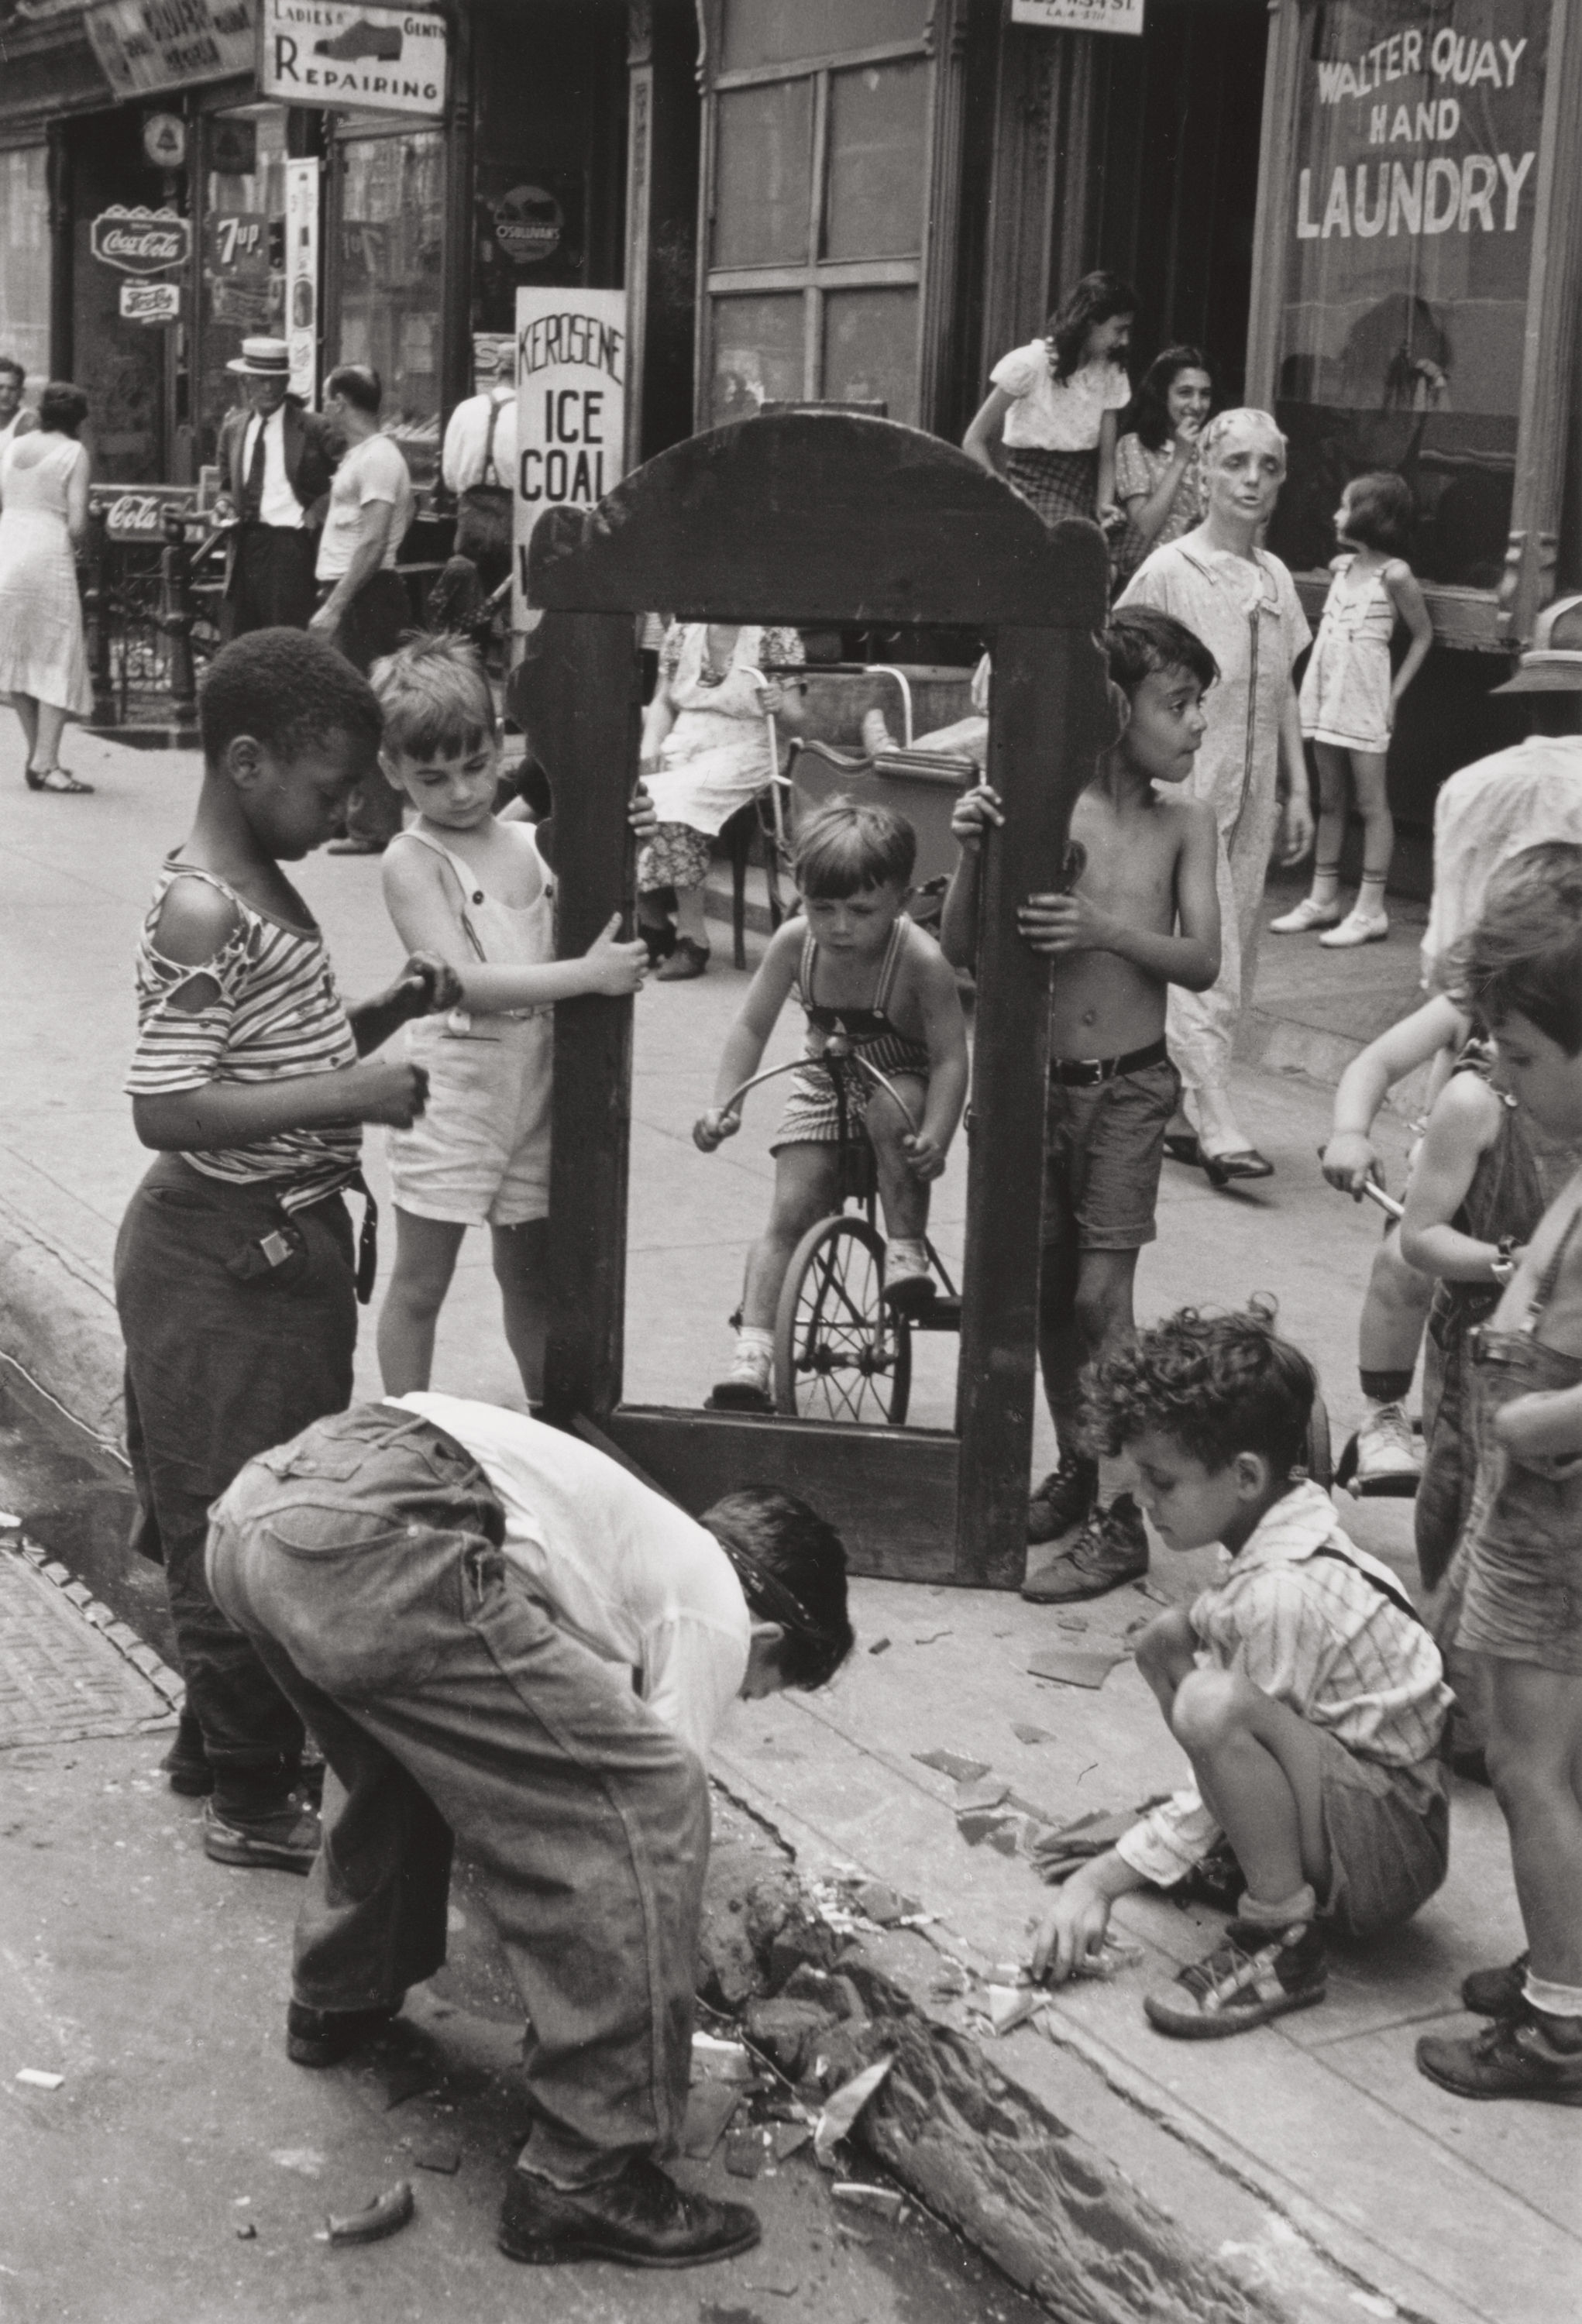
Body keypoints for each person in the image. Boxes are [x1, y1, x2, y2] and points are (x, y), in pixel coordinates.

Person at [205, 1392, 855, 2264]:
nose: (743, 1692)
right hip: (380, 1535)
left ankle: (339, 1997)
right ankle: (584, 2178)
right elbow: (646, 1809)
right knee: (653, 1800)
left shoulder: (610, 1532)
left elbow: (536, 1743)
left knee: (398, 1759)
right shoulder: (717, 1612)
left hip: (264, 1512)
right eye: (761, 1684)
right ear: (767, 1633)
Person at [115, 629, 460, 1870]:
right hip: (222, 1258)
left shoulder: (255, 884)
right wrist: (353, 1099)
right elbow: (166, 1106)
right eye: (329, 791)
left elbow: (266, 1054)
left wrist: (383, 1016)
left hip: (269, 1251)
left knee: (245, 1499)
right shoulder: (206, 904)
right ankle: (253, 1797)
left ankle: (220, 1744)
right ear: (247, 761)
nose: (347, 813)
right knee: (235, 1525)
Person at [1033, 1305, 1451, 2037]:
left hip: (1390, 1850)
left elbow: (1230, 1723)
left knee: (1210, 1705)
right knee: (1165, 1639)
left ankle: (1281, 1938)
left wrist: (1106, 1878)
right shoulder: (1265, 1530)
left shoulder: (1280, 1592)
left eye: (1162, 1483)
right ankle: (1246, 1849)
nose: (1142, 1501)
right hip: (1350, 1801)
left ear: (1247, 1476)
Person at [941, 608, 1221, 1593]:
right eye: (1176, 704)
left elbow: (1200, 957)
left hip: (1129, 1091)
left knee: (1105, 1300)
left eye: (1197, 706)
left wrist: (1105, 930)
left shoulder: (1184, 823)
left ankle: (1121, 1513)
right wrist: (974, 849)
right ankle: (1077, 1462)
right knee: (1050, 1299)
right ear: (1112, 709)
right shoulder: (1041, 808)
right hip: (1034, 1092)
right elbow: (961, 950)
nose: (1193, 726)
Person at [1320, 597, 1582, 1494]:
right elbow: (1410, 1029)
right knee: (1410, 1254)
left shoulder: (1473, 786)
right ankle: (1386, 1415)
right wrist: (1351, 1130)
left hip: (1510, 1031)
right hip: (1492, 1054)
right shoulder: (1484, 1038)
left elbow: (1440, 957)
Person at [371, 634, 651, 1404]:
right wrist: (588, 978)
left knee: (529, 1277)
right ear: (392, 769)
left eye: (474, 765)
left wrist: (628, 824)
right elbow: (455, 981)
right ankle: (405, 1425)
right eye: (432, 776)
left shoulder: (529, 843)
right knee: (421, 1280)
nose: (460, 791)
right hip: (454, 1094)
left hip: (535, 1093)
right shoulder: (411, 858)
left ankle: (549, 1419)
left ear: (501, 746)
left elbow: (593, 867)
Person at [1415, 858, 1582, 2105]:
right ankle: (1559, 1965)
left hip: (1558, 1507)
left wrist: (1529, 1417)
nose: (1504, 1084)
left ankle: (1563, 2027)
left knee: (1528, 1770)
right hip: (1532, 1502)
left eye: (1521, 1058)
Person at [696, 799, 969, 1411]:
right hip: (825, 1079)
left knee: (891, 1112)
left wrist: (939, 1136)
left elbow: (951, 1056)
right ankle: (753, 1353)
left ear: (900, 900)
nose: (840, 926)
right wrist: (724, 1105)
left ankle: (905, 1249)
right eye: (822, 908)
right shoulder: (797, 945)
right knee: (791, 1207)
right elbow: (750, 1027)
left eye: (860, 910)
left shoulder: (921, 961)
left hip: (902, 1078)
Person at [1119, 409, 1315, 1183]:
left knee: (1238, 944)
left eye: (1267, 467)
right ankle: (1216, 1118)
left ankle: (1174, 1104)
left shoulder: (1272, 579)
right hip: (1188, 785)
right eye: (1234, 463)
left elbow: (1283, 694)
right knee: (1210, 944)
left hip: (1253, 790)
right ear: (1201, 472)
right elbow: (1122, 669)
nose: (1250, 481)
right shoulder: (1171, 571)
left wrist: (1297, 789)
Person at [1274, 469, 1432, 948]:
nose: (1336, 514)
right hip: (1328, 691)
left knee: (1371, 803)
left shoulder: (1397, 575)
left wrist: (1394, 694)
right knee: (1330, 799)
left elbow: (1423, 636)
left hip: (1365, 696)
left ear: (1370, 515)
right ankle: (1323, 897)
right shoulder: (1340, 567)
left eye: (1344, 506)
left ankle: (1370, 910)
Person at [637, 621, 806, 980]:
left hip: (750, 747)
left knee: (679, 801)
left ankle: (692, 938)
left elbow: (798, 720)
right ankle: (652, 923)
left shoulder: (775, 634)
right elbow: (664, 701)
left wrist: (779, 705)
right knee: (632, 793)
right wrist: (650, 744)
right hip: (688, 740)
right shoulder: (682, 631)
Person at [309, 363, 417, 855]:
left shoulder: (380, 458)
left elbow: (373, 541)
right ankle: (353, 813)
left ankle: (374, 823)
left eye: (329, 401)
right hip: (353, 590)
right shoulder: (364, 455)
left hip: (366, 594)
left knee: (365, 709)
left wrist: (336, 603)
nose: (325, 411)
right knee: (343, 707)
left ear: (340, 402)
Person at [962, 271, 1136, 533]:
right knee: (1076, 544)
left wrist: (1104, 504)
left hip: (1084, 483)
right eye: (1119, 330)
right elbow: (973, 439)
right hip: (1036, 482)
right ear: (1090, 321)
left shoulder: (1110, 371)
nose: (1124, 341)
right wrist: (1003, 498)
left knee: (1134, 545)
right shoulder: (1032, 363)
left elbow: (1107, 456)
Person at [0, 379, 92, 792]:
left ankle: (37, 756)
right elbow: (75, 523)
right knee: (57, 652)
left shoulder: (15, 446)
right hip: (46, 556)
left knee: (19, 655)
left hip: (9, 548)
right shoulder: (74, 452)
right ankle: (47, 762)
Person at [216, 336, 338, 638]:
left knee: (287, 639)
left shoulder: (313, 427)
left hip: (291, 548)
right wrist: (224, 504)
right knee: (241, 641)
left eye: (275, 380)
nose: (268, 389)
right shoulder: (233, 429)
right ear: (245, 383)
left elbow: (352, 472)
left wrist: (319, 510)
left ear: (286, 381)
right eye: (260, 381)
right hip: (244, 547)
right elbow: (228, 486)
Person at [1113, 345, 1212, 586]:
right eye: (1185, 393)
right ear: (1162, 394)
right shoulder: (1134, 446)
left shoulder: (1216, 449)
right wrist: (1180, 459)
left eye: (1205, 394)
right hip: (1155, 579)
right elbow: (1142, 532)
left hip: (1205, 577)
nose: (1197, 405)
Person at [0, 354, 38, 455]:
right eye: (0, 388)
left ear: (21, 392)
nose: (5, 395)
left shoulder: (31, 423)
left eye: (12, 389)